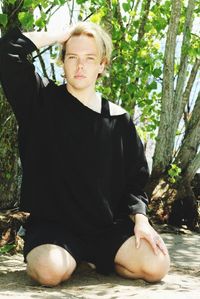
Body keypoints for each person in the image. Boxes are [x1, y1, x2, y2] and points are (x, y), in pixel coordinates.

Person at [0, 22, 170, 287]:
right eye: (73, 57)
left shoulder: (119, 120)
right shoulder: (40, 101)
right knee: (49, 271)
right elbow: (8, 51)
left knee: (157, 265)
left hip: (106, 229)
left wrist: (141, 221)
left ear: (102, 65)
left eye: (89, 58)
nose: (80, 66)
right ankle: (70, 259)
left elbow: (135, 181)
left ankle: (96, 259)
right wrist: (60, 35)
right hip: (54, 228)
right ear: (63, 62)